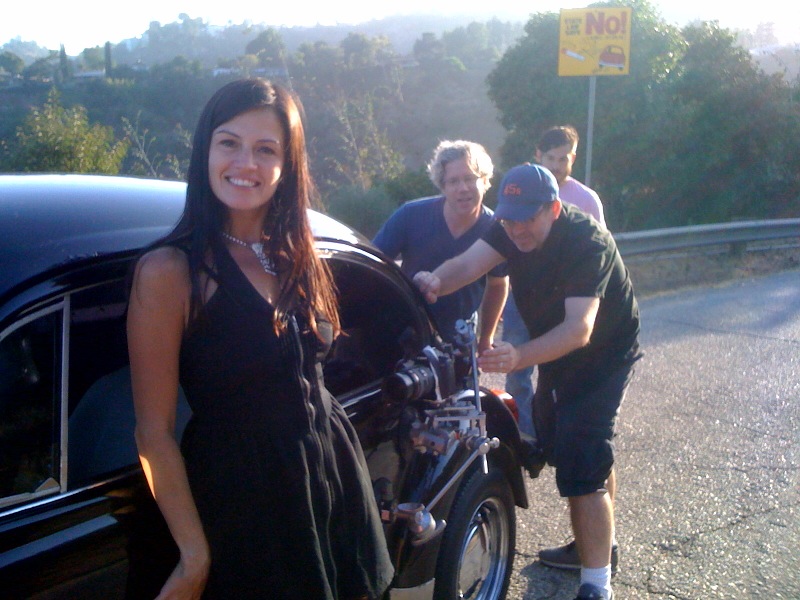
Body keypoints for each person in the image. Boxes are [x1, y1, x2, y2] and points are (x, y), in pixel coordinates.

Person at [127, 78, 394, 600]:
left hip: (331, 482)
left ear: (286, 165)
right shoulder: (169, 271)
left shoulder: (297, 253)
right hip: (244, 505)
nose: (245, 163)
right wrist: (194, 556)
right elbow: (151, 434)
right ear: (205, 148)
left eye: (265, 149)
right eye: (229, 143)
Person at [413, 164, 641, 600]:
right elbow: (469, 264)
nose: (515, 229)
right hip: (556, 352)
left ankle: (597, 585)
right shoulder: (511, 227)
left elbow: (579, 330)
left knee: (581, 456)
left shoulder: (585, 241)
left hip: (604, 356)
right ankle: (599, 543)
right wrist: (436, 280)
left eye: (526, 218)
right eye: (508, 217)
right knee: (578, 450)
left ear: (554, 209)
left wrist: (518, 356)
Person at [504, 125, 606, 440]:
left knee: (562, 369)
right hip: (522, 296)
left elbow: (599, 256)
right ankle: (525, 436)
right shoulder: (519, 187)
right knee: (516, 371)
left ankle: (566, 432)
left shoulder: (586, 200)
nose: (558, 165)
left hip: (567, 301)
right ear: (538, 155)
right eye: (551, 158)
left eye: (564, 158)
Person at [372, 140, 507, 351]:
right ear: (442, 186)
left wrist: (486, 338)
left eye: (470, 178)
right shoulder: (411, 215)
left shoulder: (495, 228)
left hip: (460, 334)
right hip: (407, 326)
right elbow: (375, 263)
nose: (463, 188)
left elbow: (498, 284)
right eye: (453, 181)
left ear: (485, 181)